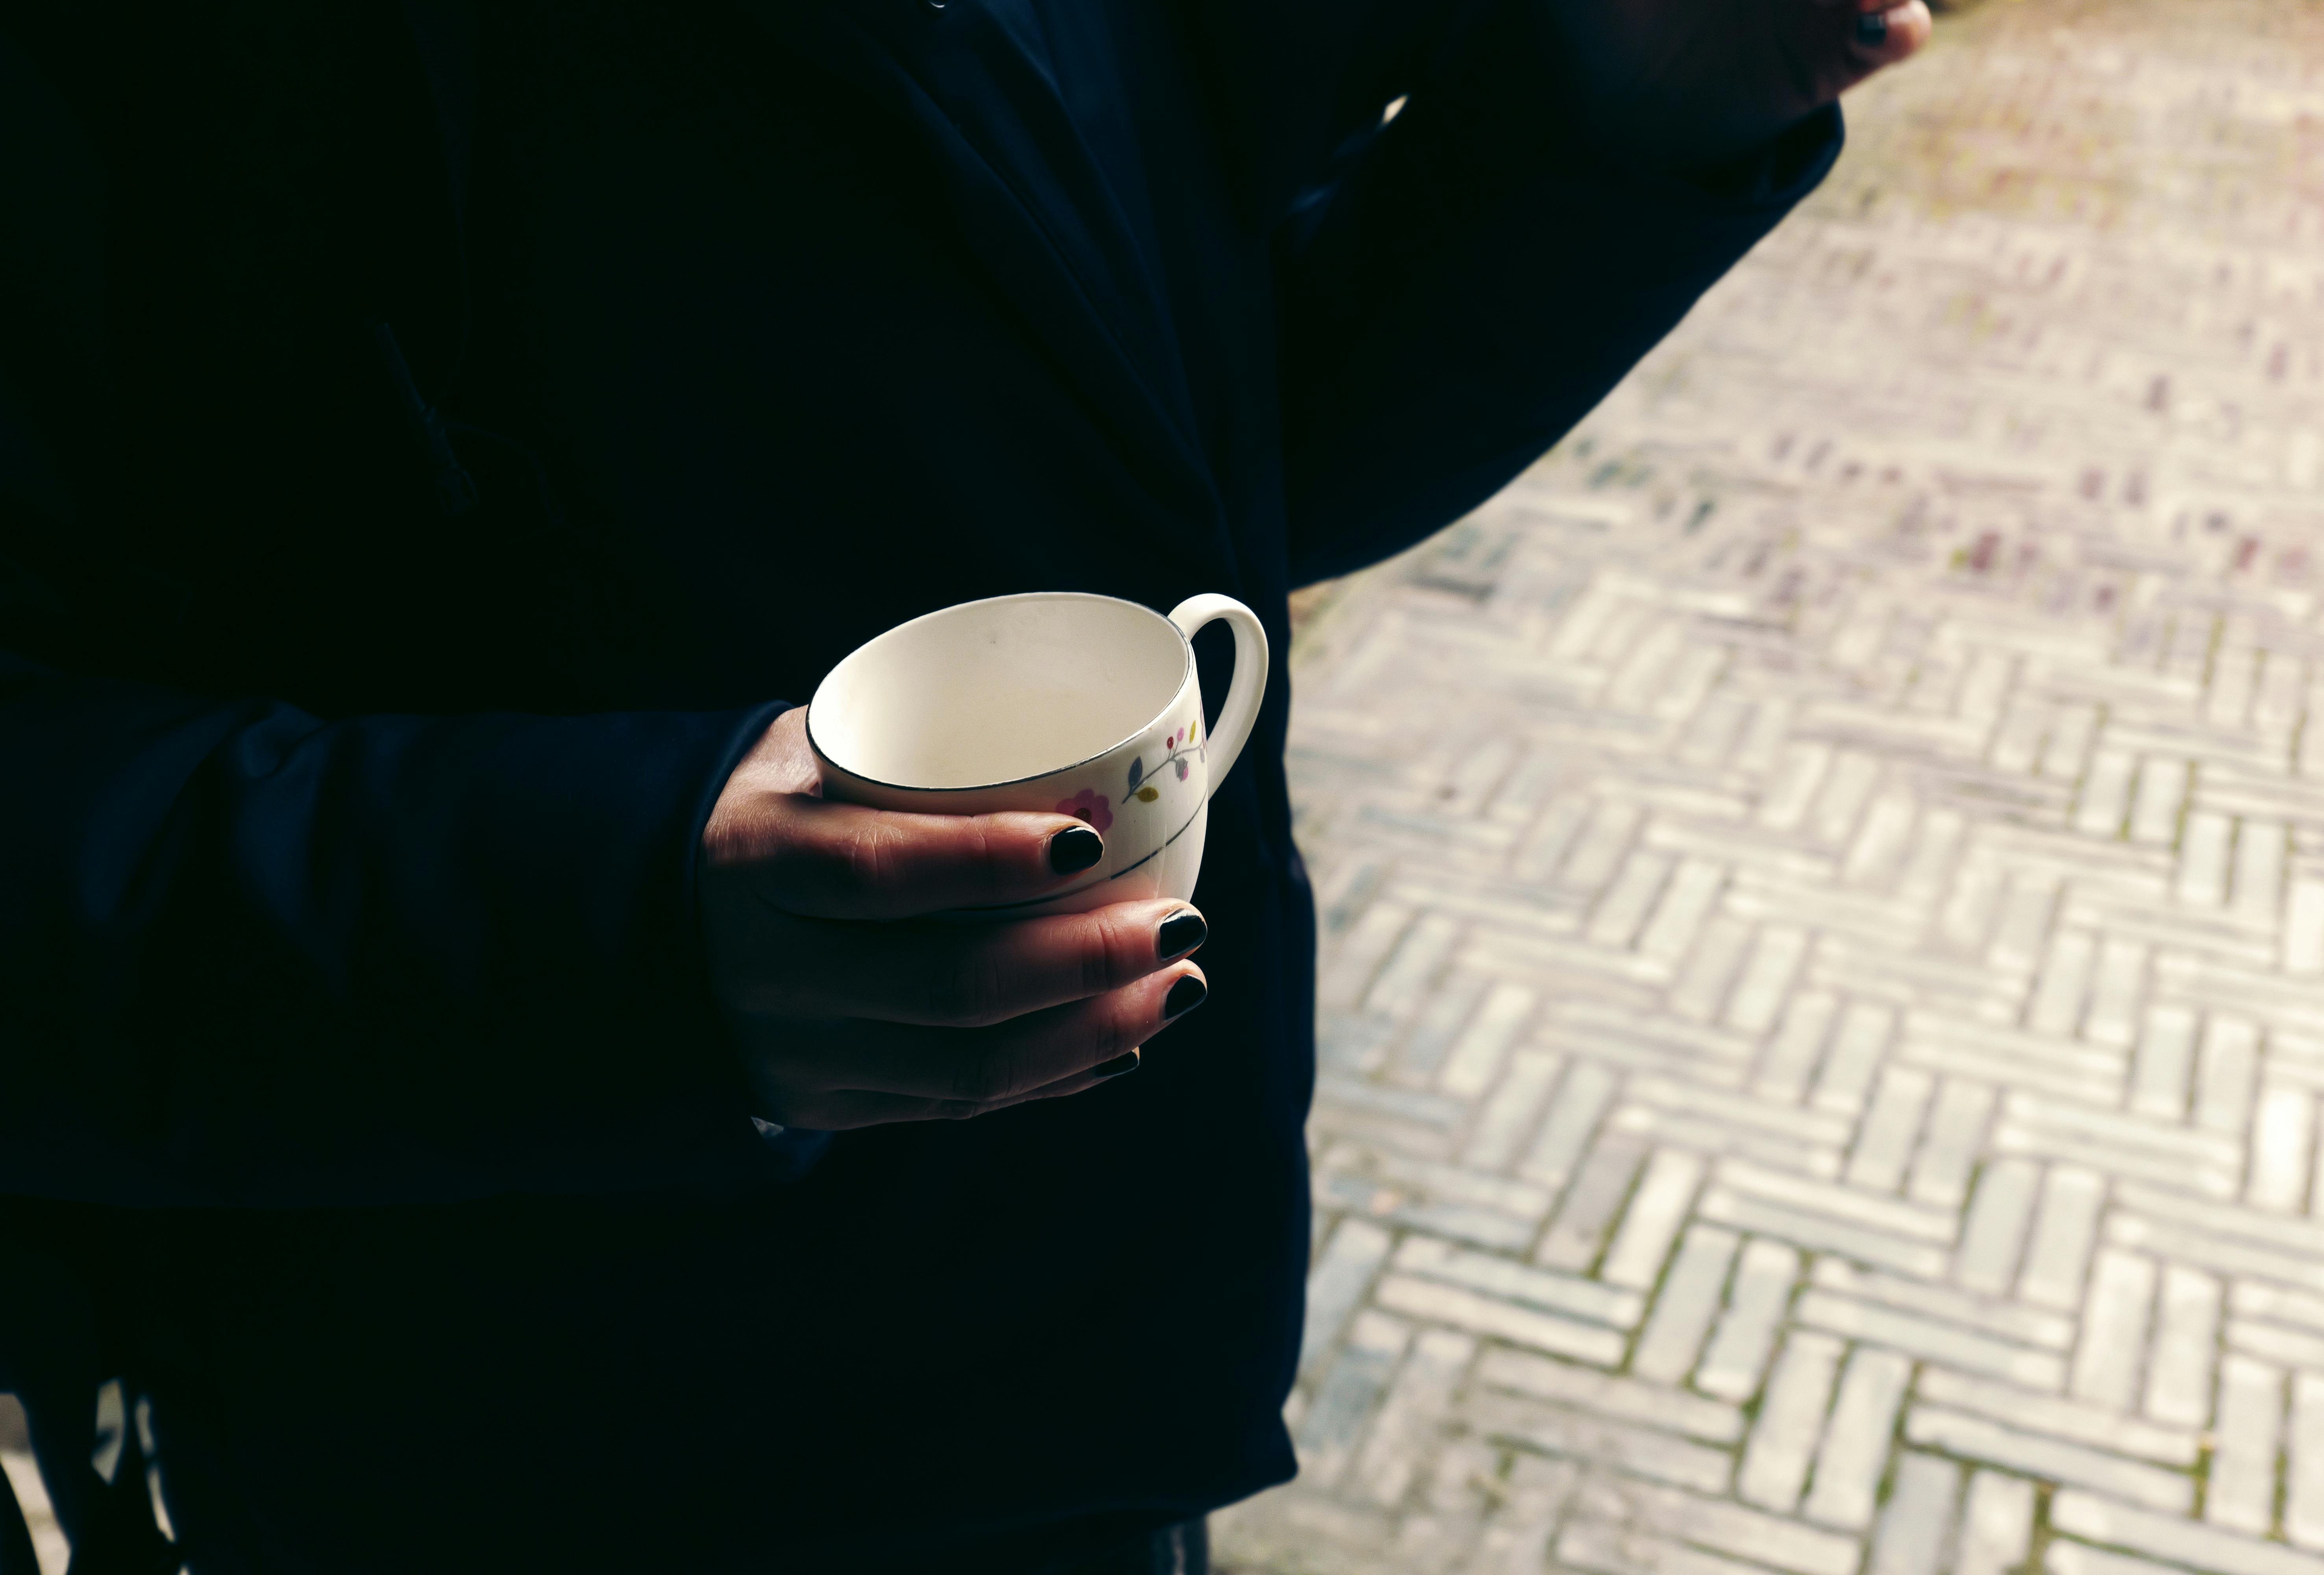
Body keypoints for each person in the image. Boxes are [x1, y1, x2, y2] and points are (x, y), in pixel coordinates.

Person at [0, 1, 1926, 1569]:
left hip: (1097, 1358)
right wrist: (621, 926)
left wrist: (1611, 134)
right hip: (519, 1433)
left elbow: (1180, 448)